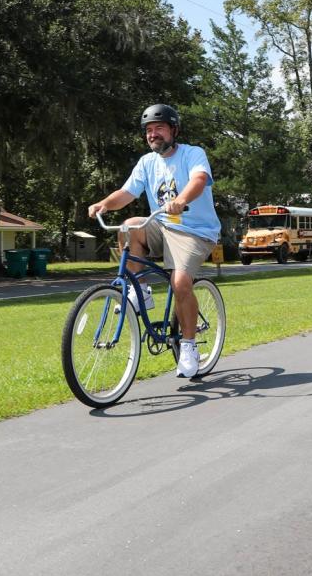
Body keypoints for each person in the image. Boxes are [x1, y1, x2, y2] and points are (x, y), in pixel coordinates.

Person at [87, 104, 221, 378]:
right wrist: (104, 204)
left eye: (159, 128)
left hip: (195, 231)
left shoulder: (193, 154)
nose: (153, 134)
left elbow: (199, 179)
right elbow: (127, 193)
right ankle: (142, 291)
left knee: (181, 282)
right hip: (161, 227)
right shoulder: (146, 163)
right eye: (149, 130)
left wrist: (182, 199)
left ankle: (189, 345)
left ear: (174, 130)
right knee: (128, 227)